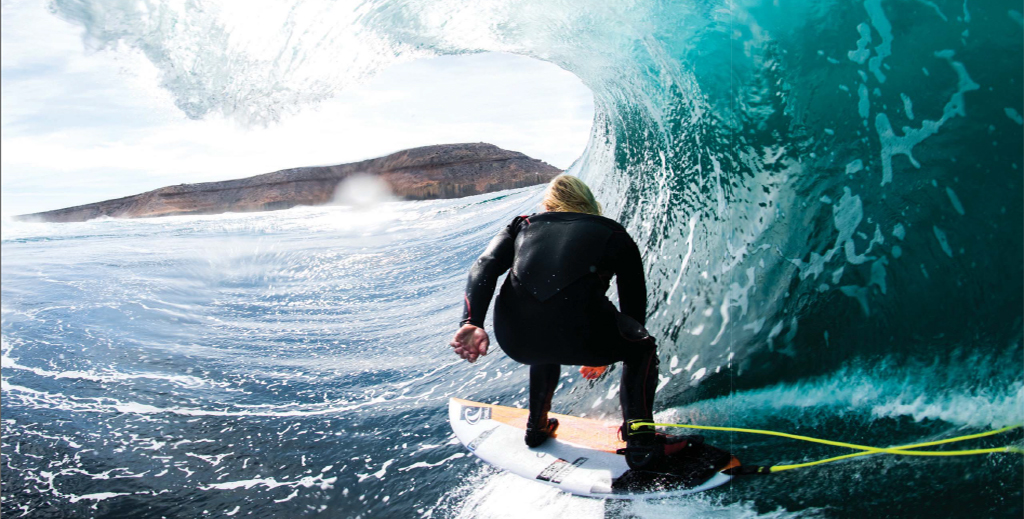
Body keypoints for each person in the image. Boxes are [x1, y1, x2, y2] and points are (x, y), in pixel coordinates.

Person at [449, 175, 693, 473]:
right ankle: (641, 439)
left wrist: (472, 321)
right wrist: (612, 348)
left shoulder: (522, 224)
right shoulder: (612, 232)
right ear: (589, 204)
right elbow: (633, 306)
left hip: (517, 339)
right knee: (641, 348)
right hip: (585, 335)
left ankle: (536, 427)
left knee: (543, 330)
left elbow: (484, 264)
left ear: (549, 205)